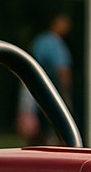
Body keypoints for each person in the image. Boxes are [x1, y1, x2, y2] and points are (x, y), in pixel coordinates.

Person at [29, 13, 73, 144]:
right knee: (57, 128)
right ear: (55, 22)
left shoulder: (39, 40)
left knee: (40, 128)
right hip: (53, 89)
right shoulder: (56, 43)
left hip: (36, 88)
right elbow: (62, 70)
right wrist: (66, 94)